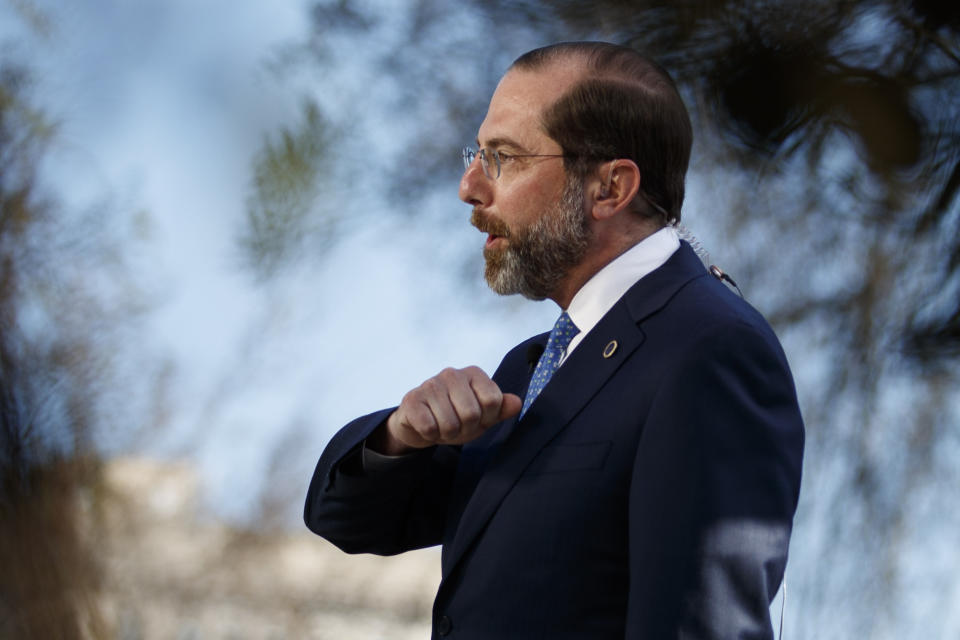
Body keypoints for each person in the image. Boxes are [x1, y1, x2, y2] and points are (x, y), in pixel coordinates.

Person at [304, 41, 804, 639]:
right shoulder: (531, 366)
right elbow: (346, 519)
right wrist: (401, 435)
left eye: (504, 157)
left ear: (610, 188)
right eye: (477, 154)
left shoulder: (711, 349)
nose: (469, 186)